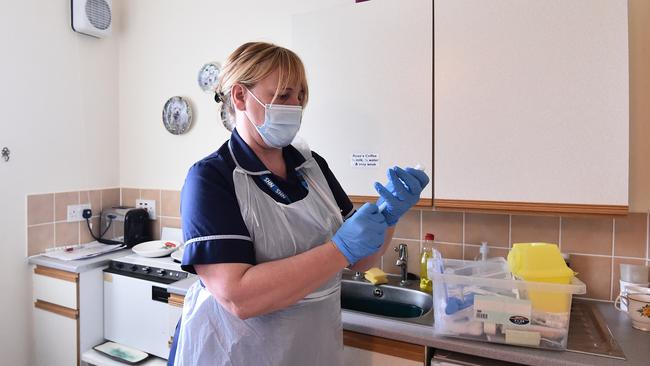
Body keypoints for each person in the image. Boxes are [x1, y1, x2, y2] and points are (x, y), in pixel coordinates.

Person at [168, 41, 429, 366]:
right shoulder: (211, 178)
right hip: (236, 354)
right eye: (283, 96)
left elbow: (362, 262)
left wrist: (389, 218)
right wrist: (339, 250)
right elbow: (239, 298)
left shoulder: (311, 166)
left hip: (312, 349)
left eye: (300, 97)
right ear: (239, 96)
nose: (295, 107)